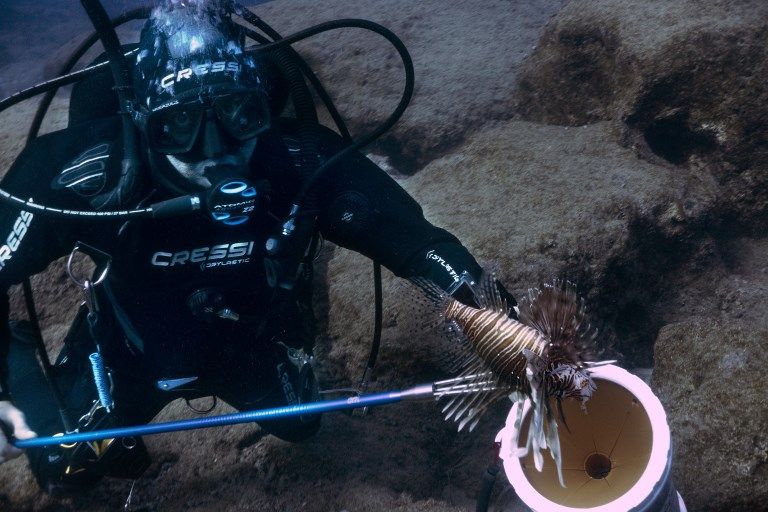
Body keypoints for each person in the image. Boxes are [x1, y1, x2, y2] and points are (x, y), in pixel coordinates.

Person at [0, 1, 508, 496]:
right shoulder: (84, 173)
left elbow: (418, 245)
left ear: (260, 104)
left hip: (247, 342)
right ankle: (20, 347)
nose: (216, 149)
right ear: (142, 117)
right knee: (67, 472)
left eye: (238, 114)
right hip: (125, 354)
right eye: (180, 125)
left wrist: (503, 326)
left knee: (304, 427)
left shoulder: (299, 157)